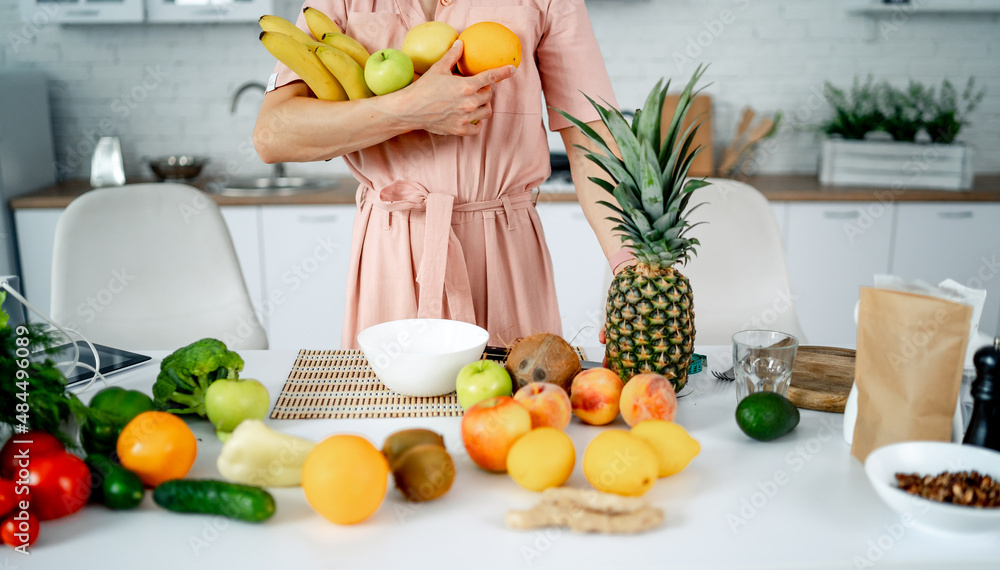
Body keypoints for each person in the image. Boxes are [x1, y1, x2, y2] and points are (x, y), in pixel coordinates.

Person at [254, 0, 632, 349]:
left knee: (518, 412)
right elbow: (273, 135)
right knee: (386, 415)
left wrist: (630, 267)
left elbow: (593, 146)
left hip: (506, 254)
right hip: (391, 253)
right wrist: (409, 110)